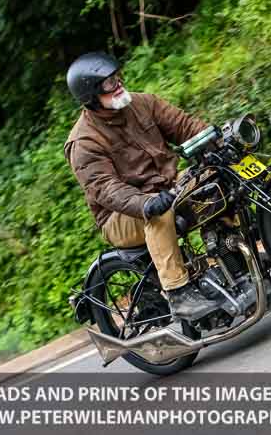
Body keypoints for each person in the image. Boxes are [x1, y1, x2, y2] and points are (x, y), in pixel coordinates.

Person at [63, 52, 224, 320]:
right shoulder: (84, 142)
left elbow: (184, 125)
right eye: (108, 83)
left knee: (214, 179)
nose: (117, 84)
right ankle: (179, 293)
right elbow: (105, 188)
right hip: (119, 215)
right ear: (90, 95)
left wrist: (215, 140)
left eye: (117, 77)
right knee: (159, 214)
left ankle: (232, 255)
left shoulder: (143, 103)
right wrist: (145, 203)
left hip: (168, 188)